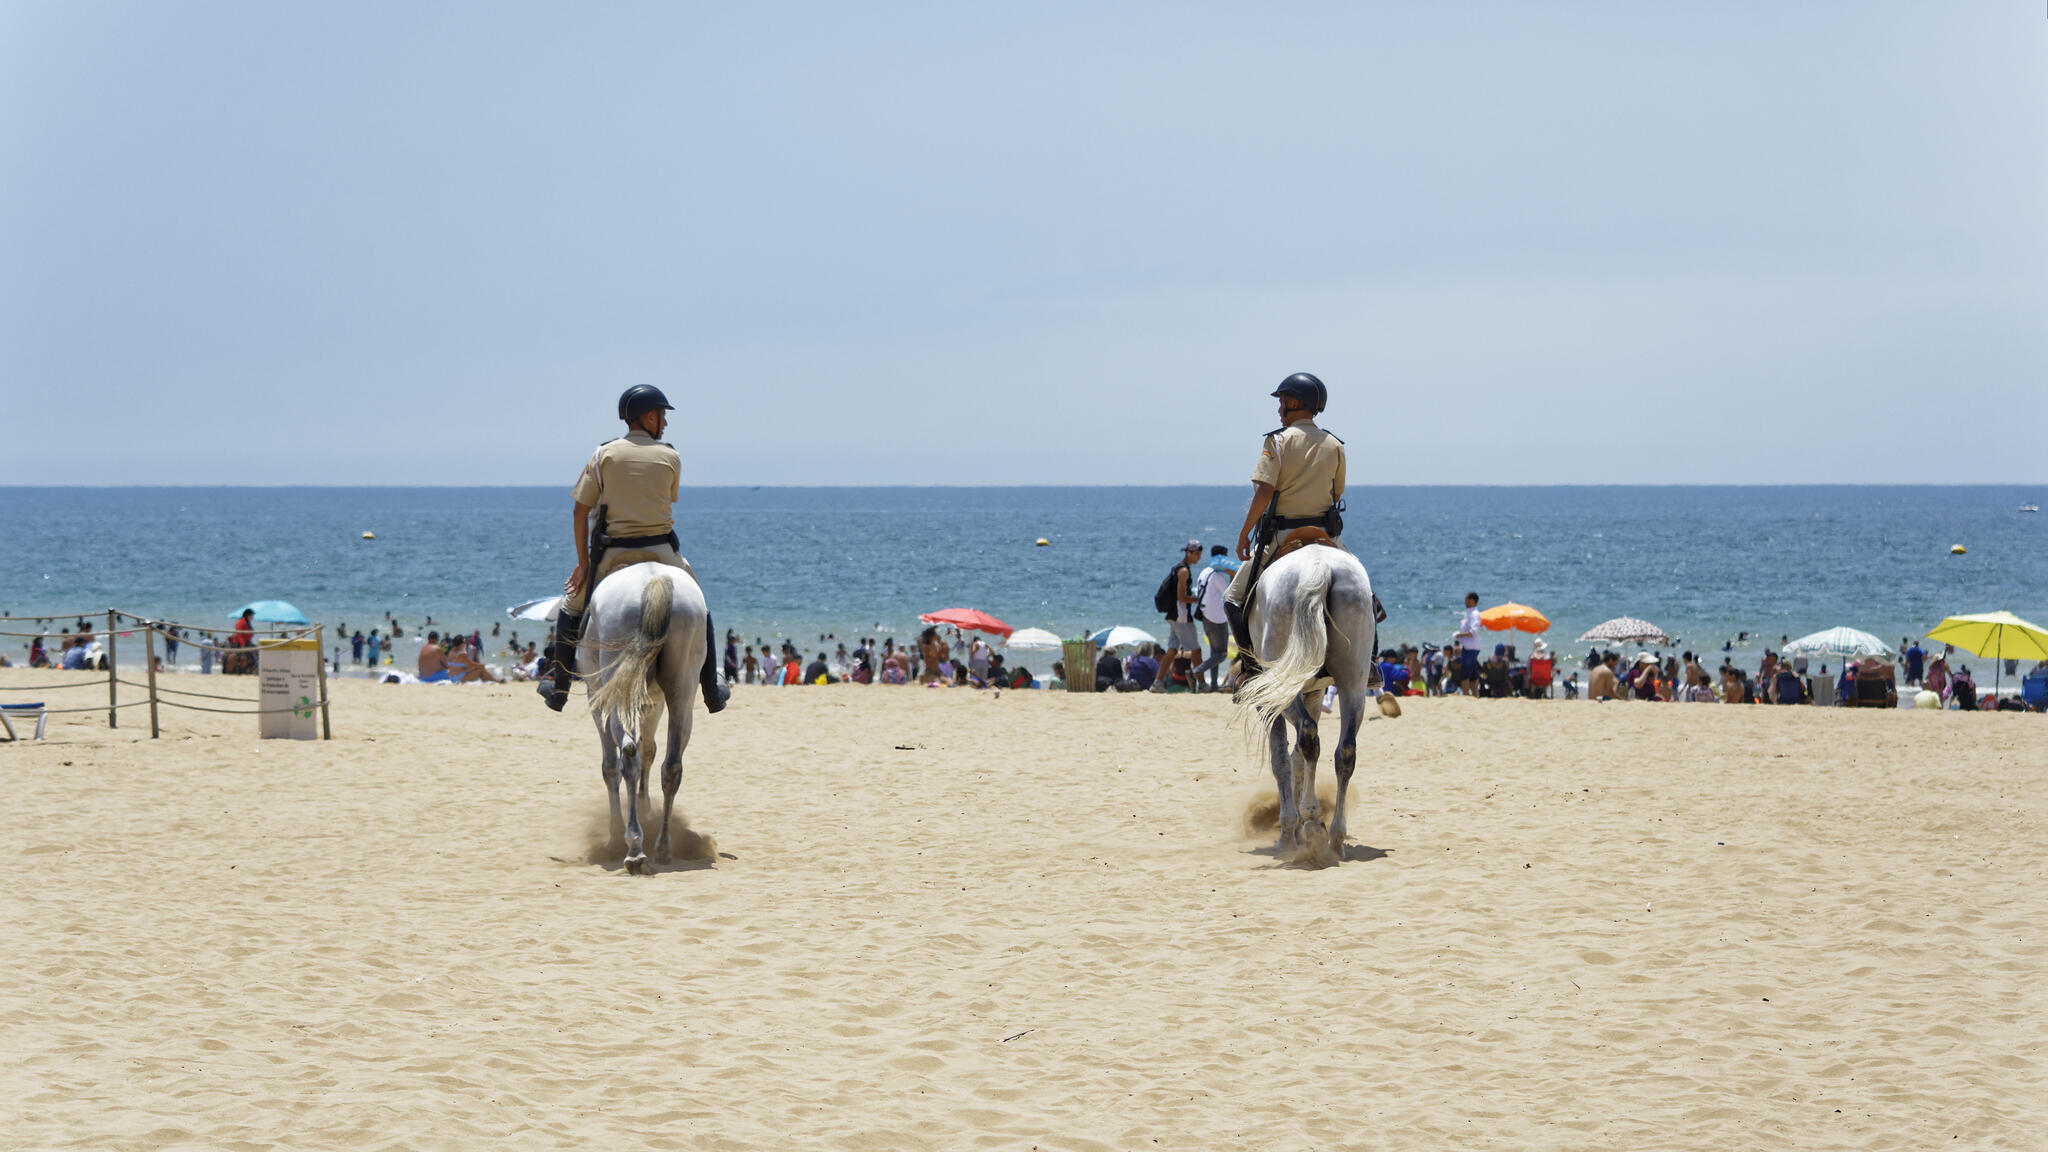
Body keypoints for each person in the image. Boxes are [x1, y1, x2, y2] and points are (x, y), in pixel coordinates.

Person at [536, 385, 728, 715]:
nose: (665, 424)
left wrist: (583, 563)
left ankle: (559, 685)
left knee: (572, 605)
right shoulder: (671, 456)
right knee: (700, 605)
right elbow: (666, 501)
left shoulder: (603, 454)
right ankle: (712, 688)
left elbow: (580, 512)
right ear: (649, 416)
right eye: (663, 416)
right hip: (662, 551)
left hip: (613, 553)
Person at [1222, 373, 1346, 682]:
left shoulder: (1276, 441)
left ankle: (1250, 666)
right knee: (1365, 594)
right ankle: (1369, 662)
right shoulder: (1334, 444)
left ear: (1294, 402)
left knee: (1233, 599)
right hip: (1325, 537)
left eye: (1282, 402)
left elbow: (1264, 492)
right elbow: (1337, 494)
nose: (1279, 409)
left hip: (1282, 536)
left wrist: (1244, 533)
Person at [1155, 539, 1204, 693]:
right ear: (1188, 553)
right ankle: (1202, 684)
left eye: (1199, 554)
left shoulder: (1178, 568)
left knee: (1172, 651)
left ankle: (1157, 683)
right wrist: (1198, 599)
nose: (1198, 557)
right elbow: (1181, 598)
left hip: (1174, 615)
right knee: (1196, 651)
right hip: (1181, 616)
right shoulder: (1183, 571)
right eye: (1196, 554)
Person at [1192, 544, 1236, 691]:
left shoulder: (1205, 572)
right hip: (1217, 618)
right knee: (1222, 654)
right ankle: (1197, 671)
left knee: (1214, 653)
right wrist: (1232, 575)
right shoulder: (1217, 576)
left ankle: (1214, 685)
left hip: (1205, 616)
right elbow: (1230, 593)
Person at [1453, 593, 1483, 695]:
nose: (1465, 602)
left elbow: (1473, 632)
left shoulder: (1474, 614)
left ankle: (1466, 694)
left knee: (1464, 673)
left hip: (1470, 647)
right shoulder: (1470, 613)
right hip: (1471, 646)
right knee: (1474, 672)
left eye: (1466, 599)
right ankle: (1475, 694)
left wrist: (1460, 635)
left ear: (1472, 600)